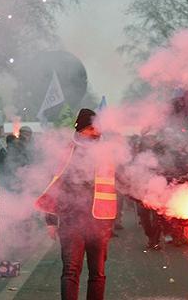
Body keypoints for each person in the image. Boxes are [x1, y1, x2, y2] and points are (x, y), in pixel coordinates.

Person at [35, 108, 116, 300]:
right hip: (72, 220)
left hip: (100, 221)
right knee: (71, 271)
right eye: (93, 128)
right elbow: (54, 184)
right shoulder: (66, 152)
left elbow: (119, 182)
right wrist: (51, 221)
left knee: (98, 273)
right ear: (83, 129)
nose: (98, 132)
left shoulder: (107, 152)